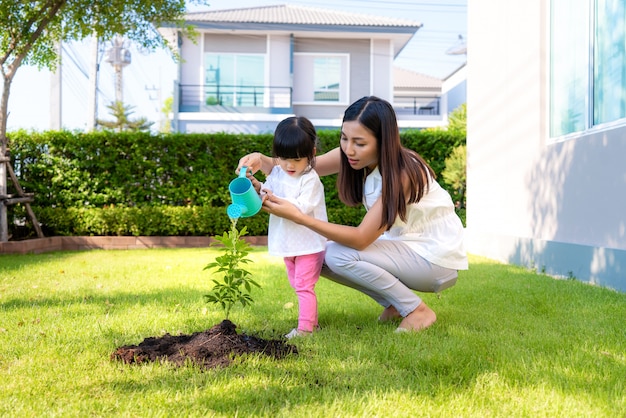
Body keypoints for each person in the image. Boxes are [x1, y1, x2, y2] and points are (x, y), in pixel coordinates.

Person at [239, 96, 468, 333]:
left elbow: (360, 238)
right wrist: (261, 159)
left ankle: (417, 310)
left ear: (383, 141)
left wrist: (299, 217)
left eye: (360, 142)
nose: (349, 149)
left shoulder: (403, 173)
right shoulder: (351, 156)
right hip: (406, 247)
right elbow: (300, 167)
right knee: (318, 253)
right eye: (344, 138)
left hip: (433, 258)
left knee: (336, 254)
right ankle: (394, 304)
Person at [251, 116, 327, 339]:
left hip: (309, 244)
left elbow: (302, 208)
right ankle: (312, 322)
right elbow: (270, 190)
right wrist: (259, 187)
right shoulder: (278, 172)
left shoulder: (310, 180)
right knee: (296, 284)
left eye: (296, 159)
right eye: (283, 158)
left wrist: (273, 198)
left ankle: (305, 329)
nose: (289, 165)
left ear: (311, 154)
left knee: (303, 285)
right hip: (288, 242)